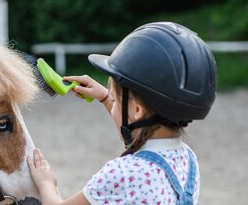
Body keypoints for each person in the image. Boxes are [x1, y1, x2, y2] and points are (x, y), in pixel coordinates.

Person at [28, 22, 217, 205]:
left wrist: (46, 183)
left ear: (136, 110)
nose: (113, 103)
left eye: (117, 100)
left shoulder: (124, 174)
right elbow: (137, 137)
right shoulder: (187, 159)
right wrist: (105, 97)